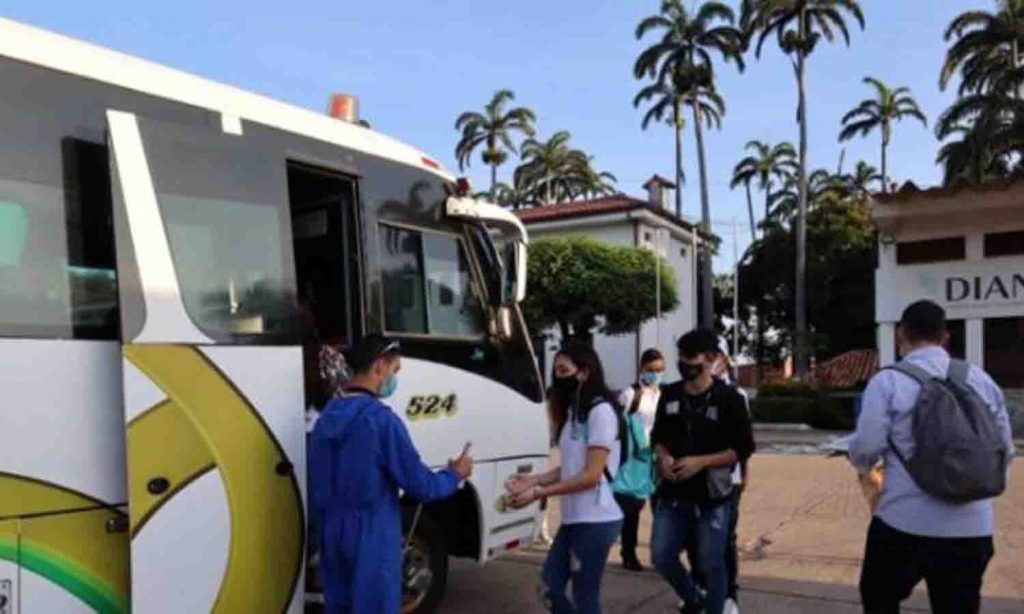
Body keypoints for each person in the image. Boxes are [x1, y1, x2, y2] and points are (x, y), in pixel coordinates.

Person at [848, 300, 1015, 614]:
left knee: (878, 597)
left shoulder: (887, 381)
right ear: (945, 337)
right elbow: (1005, 450)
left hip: (903, 522)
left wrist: (862, 464)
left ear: (900, 335)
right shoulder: (981, 380)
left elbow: (867, 447)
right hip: (972, 527)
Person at [308, 334, 473, 614]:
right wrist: (454, 474)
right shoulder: (381, 421)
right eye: (395, 370)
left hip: (331, 532)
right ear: (380, 365)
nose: (394, 378)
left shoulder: (325, 419)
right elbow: (421, 486)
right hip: (371, 534)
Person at [505, 342, 624, 614]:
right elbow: (571, 468)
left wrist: (537, 494)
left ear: (584, 373)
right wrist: (534, 480)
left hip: (597, 519)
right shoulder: (573, 414)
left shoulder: (601, 412)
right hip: (574, 519)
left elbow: (591, 476)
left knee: (585, 597)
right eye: (556, 370)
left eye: (564, 370)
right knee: (549, 588)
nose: (558, 377)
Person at [650, 329, 755, 614]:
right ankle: (695, 599)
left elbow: (742, 448)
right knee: (661, 556)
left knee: (711, 560)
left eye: (691, 357)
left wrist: (702, 461)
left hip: (713, 495)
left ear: (710, 360)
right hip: (674, 492)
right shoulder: (670, 394)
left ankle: (718, 605)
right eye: (681, 357)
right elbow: (658, 438)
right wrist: (662, 457)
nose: (684, 363)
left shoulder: (729, 398)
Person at [613, 348, 666, 571]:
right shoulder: (630, 394)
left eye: (659, 370)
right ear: (641, 369)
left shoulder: (664, 395)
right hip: (634, 458)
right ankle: (628, 552)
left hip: (658, 456)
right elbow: (615, 424)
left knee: (661, 507)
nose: (654, 374)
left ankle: (661, 554)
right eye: (650, 370)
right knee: (632, 506)